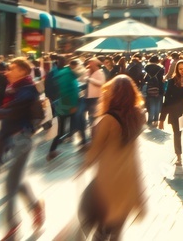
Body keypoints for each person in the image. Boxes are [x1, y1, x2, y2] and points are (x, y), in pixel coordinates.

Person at [76, 75, 147, 241]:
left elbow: (95, 151)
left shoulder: (108, 119)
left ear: (115, 94)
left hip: (106, 179)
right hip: (129, 178)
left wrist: (83, 167)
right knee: (116, 230)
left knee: (96, 226)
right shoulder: (138, 116)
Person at [0, 58, 45, 240]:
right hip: (11, 137)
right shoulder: (15, 88)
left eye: (11, 69)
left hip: (22, 139)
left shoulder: (26, 89)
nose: (7, 72)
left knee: (10, 184)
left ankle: (13, 227)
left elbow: (15, 111)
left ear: (22, 71)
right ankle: (35, 206)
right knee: (18, 180)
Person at [48, 60, 88, 160]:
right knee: (79, 123)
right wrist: (72, 105)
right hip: (68, 106)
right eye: (78, 66)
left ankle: (52, 150)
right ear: (73, 66)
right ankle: (84, 142)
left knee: (62, 130)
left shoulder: (65, 73)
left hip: (63, 106)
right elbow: (68, 92)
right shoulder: (68, 75)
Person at [143, 56, 166, 128]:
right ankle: (156, 120)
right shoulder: (161, 68)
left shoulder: (146, 68)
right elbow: (162, 79)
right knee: (157, 105)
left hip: (150, 89)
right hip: (159, 88)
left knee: (151, 105)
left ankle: (150, 120)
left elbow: (145, 79)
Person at [84, 59, 108, 125]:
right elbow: (82, 79)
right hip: (88, 96)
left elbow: (102, 83)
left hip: (96, 96)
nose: (90, 65)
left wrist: (90, 79)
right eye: (89, 63)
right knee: (90, 113)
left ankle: (95, 126)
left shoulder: (100, 72)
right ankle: (92, 125)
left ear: (96, 65)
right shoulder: (88, 71)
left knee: (94, 113)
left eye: (91, 64)